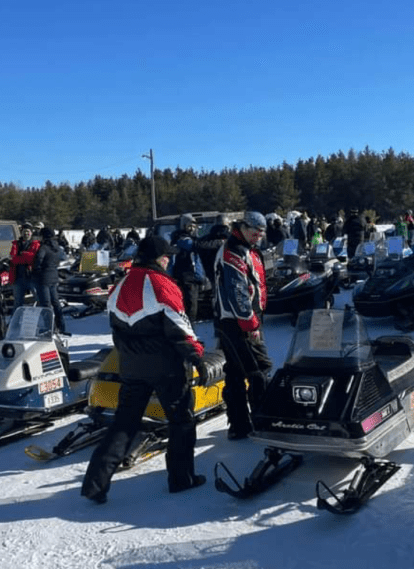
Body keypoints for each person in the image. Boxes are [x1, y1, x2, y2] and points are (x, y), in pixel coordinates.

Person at [81, 235, 206, 503]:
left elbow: (116, 331)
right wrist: (197, 357)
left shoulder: (119, 286)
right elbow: (180, 329)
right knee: (181, 421)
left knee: (124, 423)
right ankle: (181, 479)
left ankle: (95, 484)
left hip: (131, 366)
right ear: (159, 258)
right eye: (167, 256)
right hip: (166, 366)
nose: (169, 260)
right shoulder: (162, 284)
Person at [213, 211, 272, 440]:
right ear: (243, 228)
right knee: (259, 369)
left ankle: (239, 425)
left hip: (238, 320)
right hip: (237, 322)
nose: (258, 237)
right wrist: (250, 324)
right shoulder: (233, 251)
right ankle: (261, 420)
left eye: (261, 233)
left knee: (236, 371)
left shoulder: (247, 249)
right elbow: (237, 293)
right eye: (255, 232)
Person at [170, 214, 206, 322]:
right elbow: (196, 246)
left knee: (193, 308)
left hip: (193, 278)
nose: (192, 229)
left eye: (194, 226)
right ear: (183, 226)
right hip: (187, 278)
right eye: (189, 226)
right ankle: (189, 327)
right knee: (190, 309)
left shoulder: (188, 239)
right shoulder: (182, 240)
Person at [33, 227, 68, 334]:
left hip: (44, 277)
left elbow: (39, 260)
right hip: (54, 276)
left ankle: (48, 328)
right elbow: (62, 258)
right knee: (56, 302)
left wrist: (36, 269)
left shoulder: (44, 248)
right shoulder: (57, 247)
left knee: (46, 304)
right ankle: (61, 326)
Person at [9, 223, 41, 309]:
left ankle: (40, 315)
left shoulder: (36, 244)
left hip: (32, 276)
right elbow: (13, 259)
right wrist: (26, 256)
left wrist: (22, 255)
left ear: (31, 232)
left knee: (39, 298)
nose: (26, 233)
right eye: (24, 231)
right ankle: (16, 316)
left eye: (28, 231)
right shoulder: (16, 244)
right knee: (18, 301)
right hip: (18, 277)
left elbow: (33, 259)